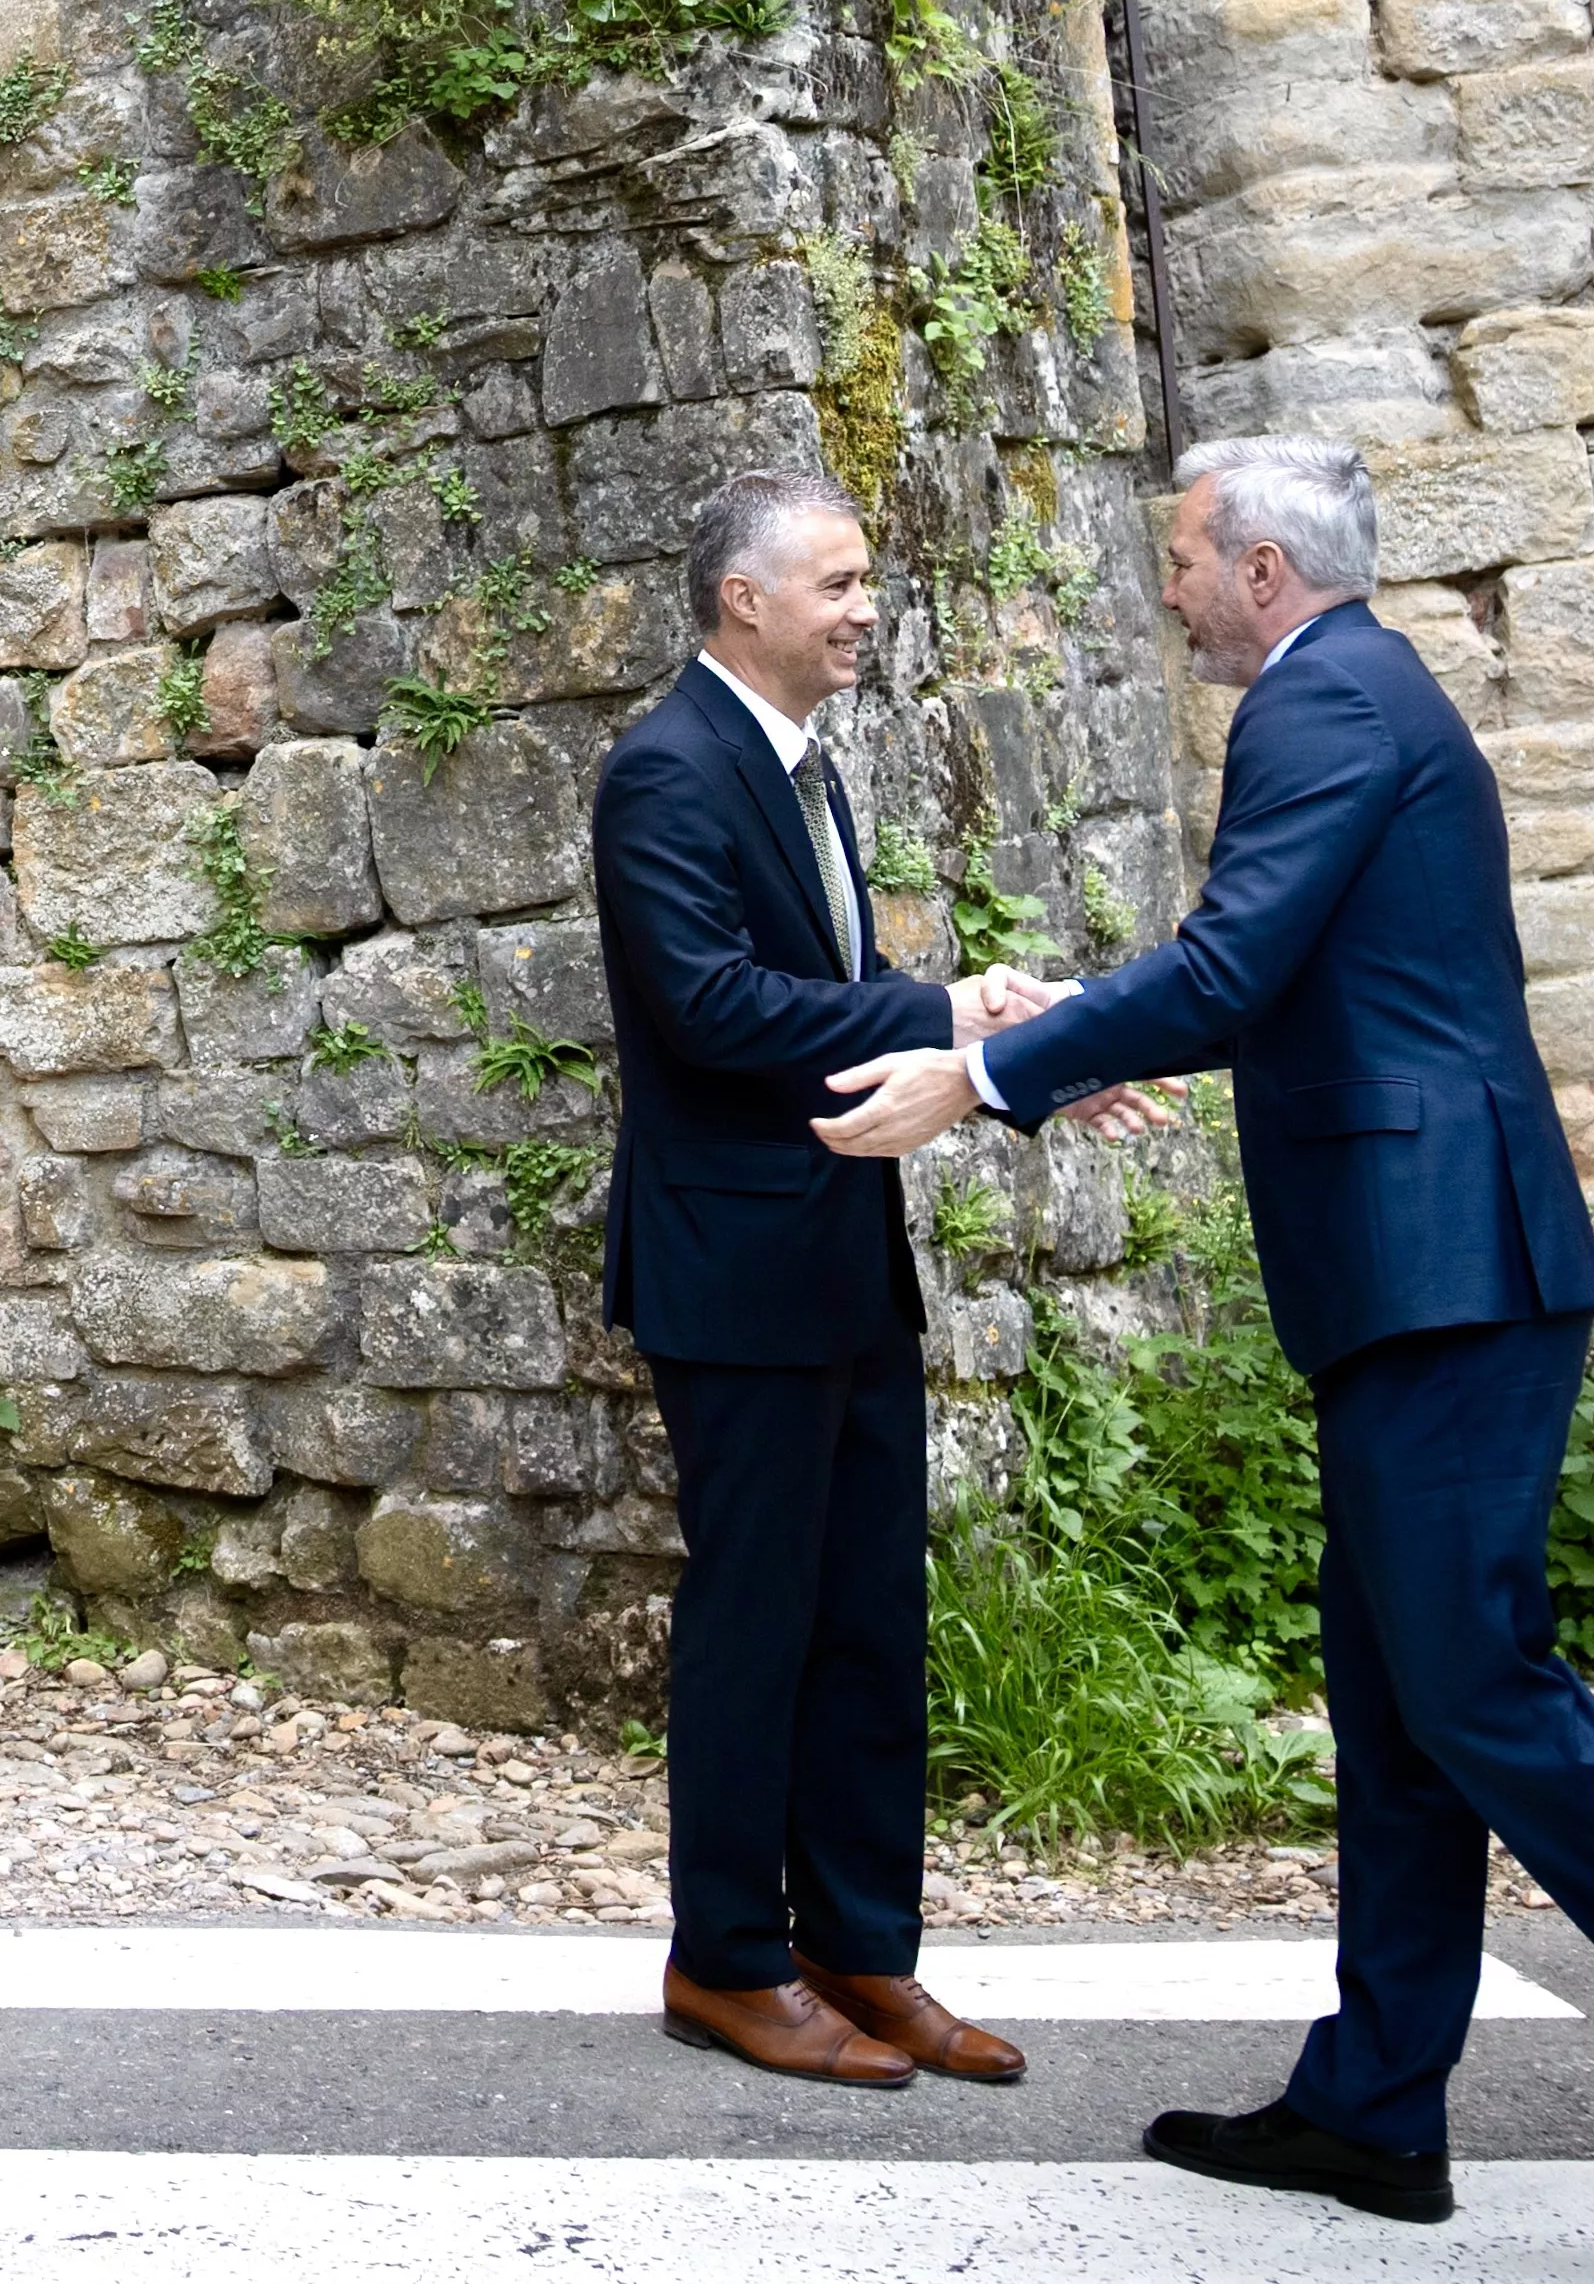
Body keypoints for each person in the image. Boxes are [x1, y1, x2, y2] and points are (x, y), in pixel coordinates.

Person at [818, 436, 1594, 2273]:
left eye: (1183, 556)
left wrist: (985, 1071)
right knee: (1401, 1701)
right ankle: (1370, 2103)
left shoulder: (1321, 699)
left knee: (1480, 1692)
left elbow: (1230, 968)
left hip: (1443, 1270)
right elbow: (1278, 976)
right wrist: (1077, 1041)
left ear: (1261, 566)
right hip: (1417, 1269)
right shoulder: (1354, 689)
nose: (1169, 587)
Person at [586, 471, 1080, 2089]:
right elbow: (712, 1007)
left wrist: (988, 1034)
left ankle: (858, 1949)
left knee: (868, 1614)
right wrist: (937, 1015)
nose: (867, 607)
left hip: (842, 1253)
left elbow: (830, 995)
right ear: (744, 598)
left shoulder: (804, 765)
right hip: (732, 1268)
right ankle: (726, 1958)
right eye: (839, 582)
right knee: (757, 1620)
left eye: (866, 580)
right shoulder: (664, 768)